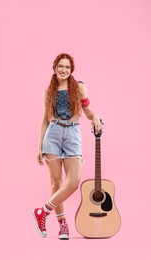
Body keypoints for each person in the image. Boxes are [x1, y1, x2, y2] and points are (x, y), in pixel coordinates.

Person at [33, 53, 102, 240]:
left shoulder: (79, 87)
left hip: (72, 135)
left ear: (71, 70)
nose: (64, 70)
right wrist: (39, 147)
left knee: (73, 182)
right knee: (56, 183)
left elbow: (87, 111)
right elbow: (44, 121)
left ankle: (43, 211)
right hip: (53, 135)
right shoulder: (48, 92)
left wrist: (95, 117)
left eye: (67, 67)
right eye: (60, 66)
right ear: (55, 68)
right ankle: (63, 225)